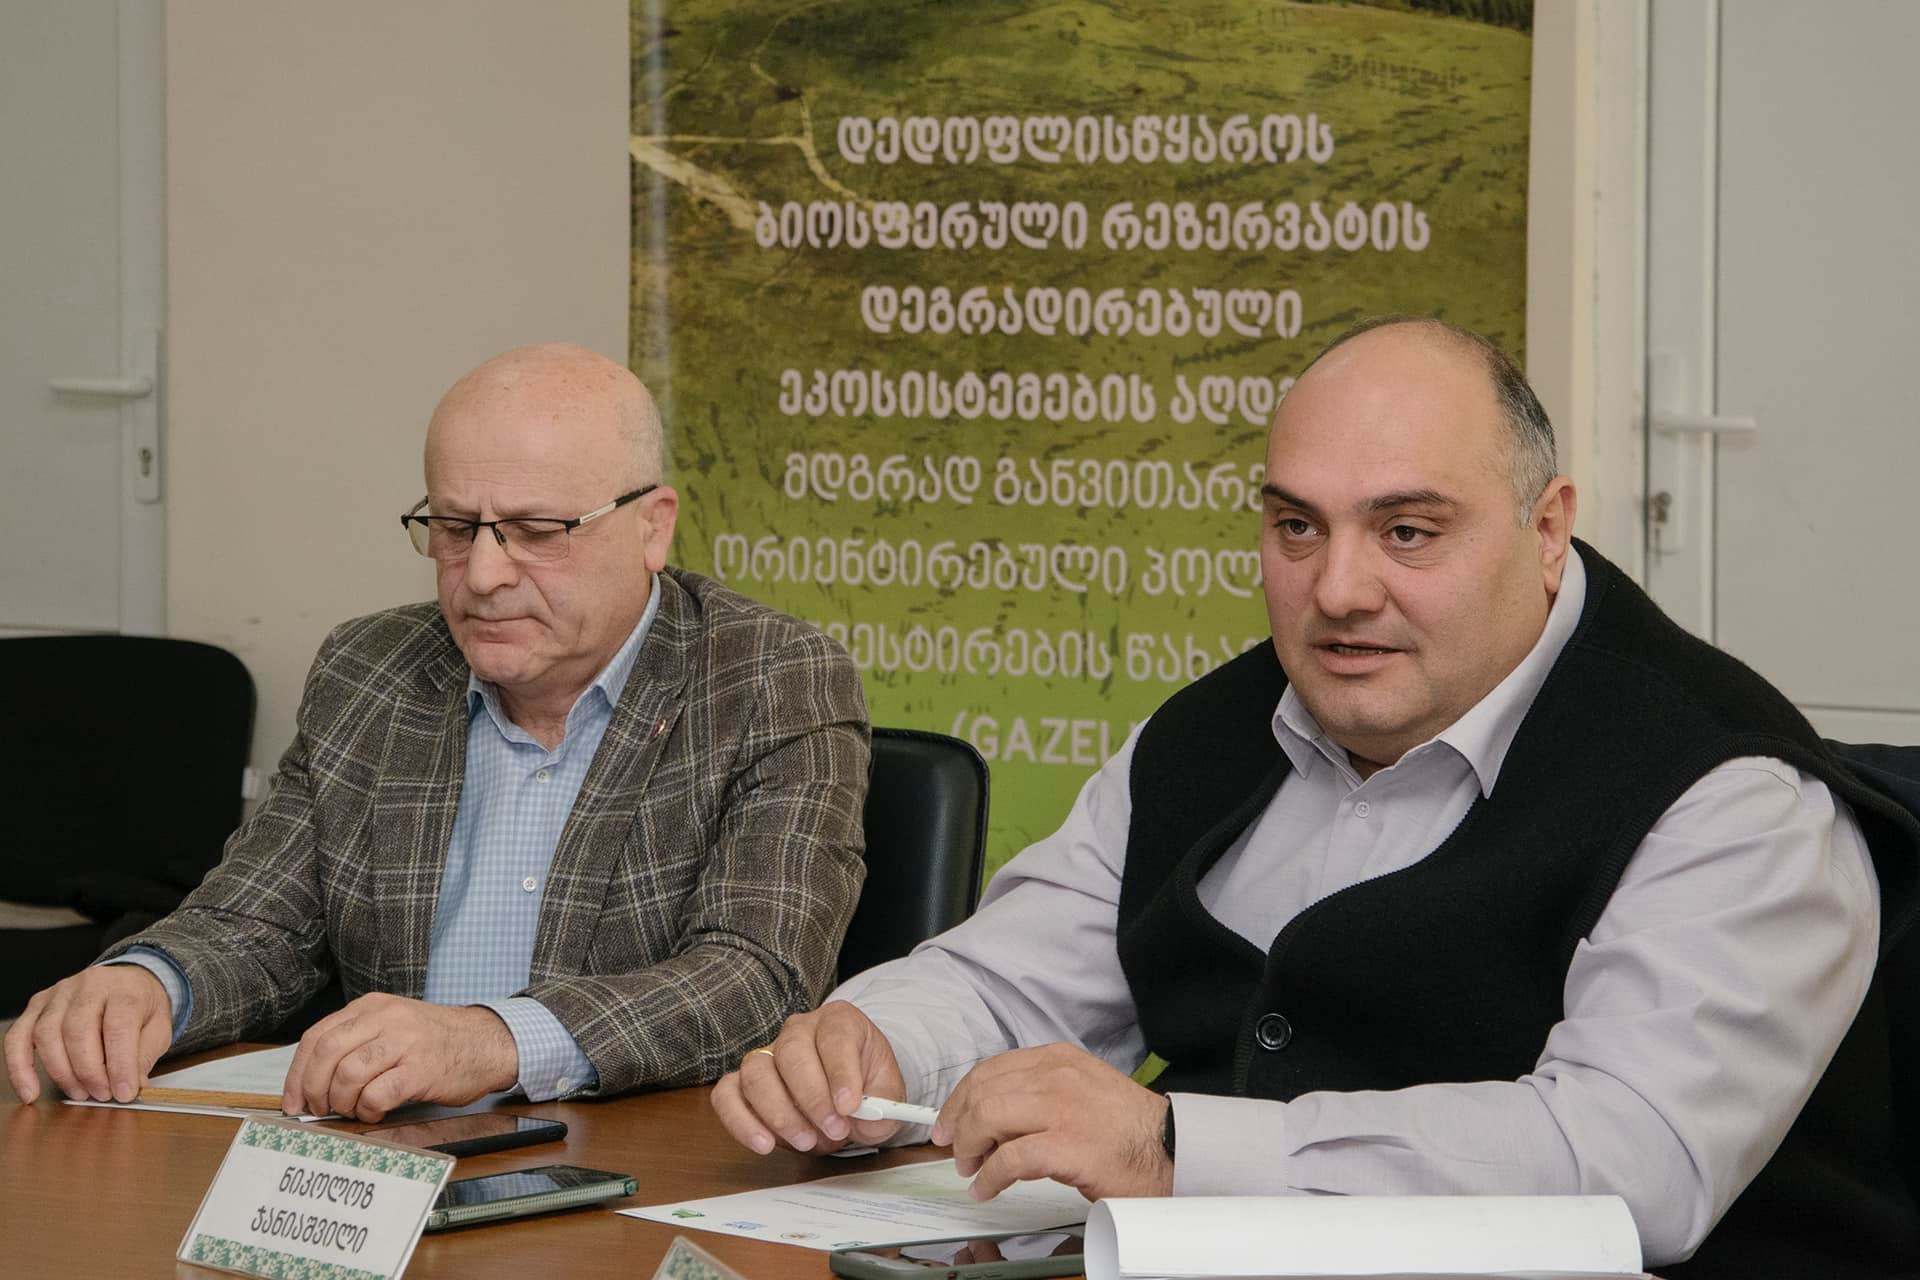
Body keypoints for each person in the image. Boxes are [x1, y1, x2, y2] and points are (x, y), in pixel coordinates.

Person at [711, 317, 1920, 1277]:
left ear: (1548, 528)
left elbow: (1627, 1160)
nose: (1338, 589)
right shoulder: (1212, 729)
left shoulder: (1732, 793)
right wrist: (874, 1040)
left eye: (1408, 532)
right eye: (1297, 526)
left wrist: (1176, 1148)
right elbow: (1011, 981)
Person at [4, 343, 870, 1121]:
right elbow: (260, 923)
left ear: (653, 526)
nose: (483, 575)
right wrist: (148, 982)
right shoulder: (370, 671)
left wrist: (492, 1040)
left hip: (637, 1161)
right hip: (382, 1165)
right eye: (455, 529)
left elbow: (756, 975)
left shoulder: (769, 678)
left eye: (536, 532)